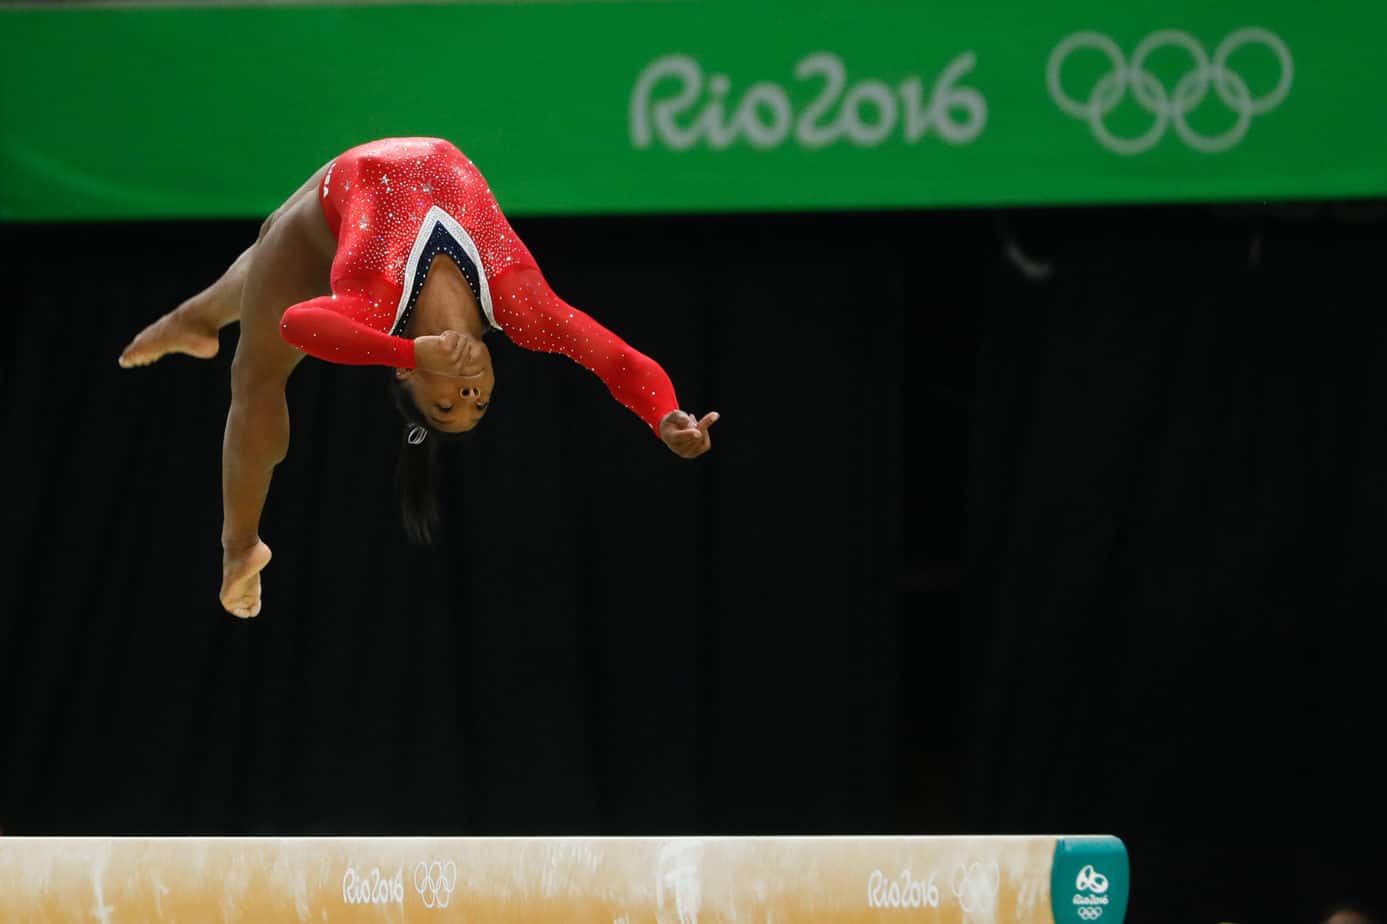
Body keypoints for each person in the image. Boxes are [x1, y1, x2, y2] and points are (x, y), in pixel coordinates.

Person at [118, 138, 718, 619]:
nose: (468, 394)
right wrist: (664, 416)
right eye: (477, 405)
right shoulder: (520, 307)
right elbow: (615, 360)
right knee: (263, 238)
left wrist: (407, 345)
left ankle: (239, 546)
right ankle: (195, 318)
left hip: (326, 213)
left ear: (406, 375)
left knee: (256, 368)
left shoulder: (378, 304)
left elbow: (298, 323)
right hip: (361, 170)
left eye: (447, 406)